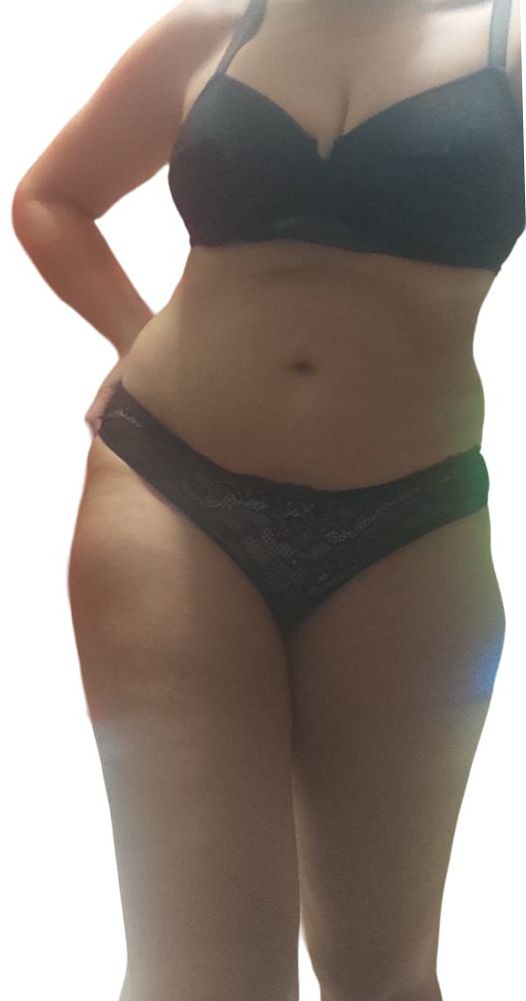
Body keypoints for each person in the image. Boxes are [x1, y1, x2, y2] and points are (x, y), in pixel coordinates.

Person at [12, 0, 524, 998]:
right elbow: (51, 196)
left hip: (409, 520)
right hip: (169, 488)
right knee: (198, 976)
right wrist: (134, 337)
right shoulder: (213, 28)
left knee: (385, 975)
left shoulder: (507, 44)